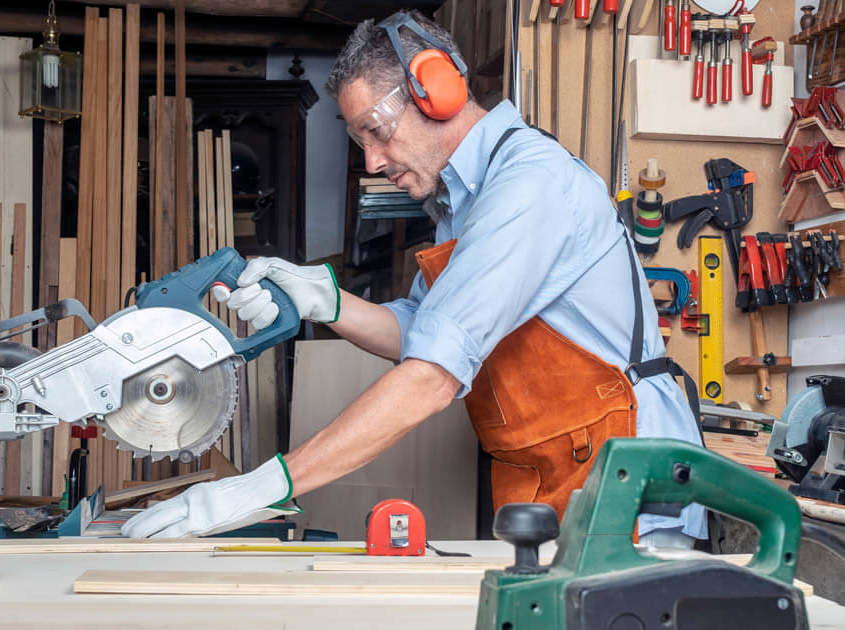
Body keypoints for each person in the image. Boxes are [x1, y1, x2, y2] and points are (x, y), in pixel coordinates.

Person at [123, 10, 707, 548]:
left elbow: (432, 375)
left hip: (629, 477)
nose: (372, 161)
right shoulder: (461, 203)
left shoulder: (529, 186)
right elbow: (423, 332)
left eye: (377, 130)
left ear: (440, 89)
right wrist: (324, 302)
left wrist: (258, 488)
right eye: (360, 141)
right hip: (557, 472)